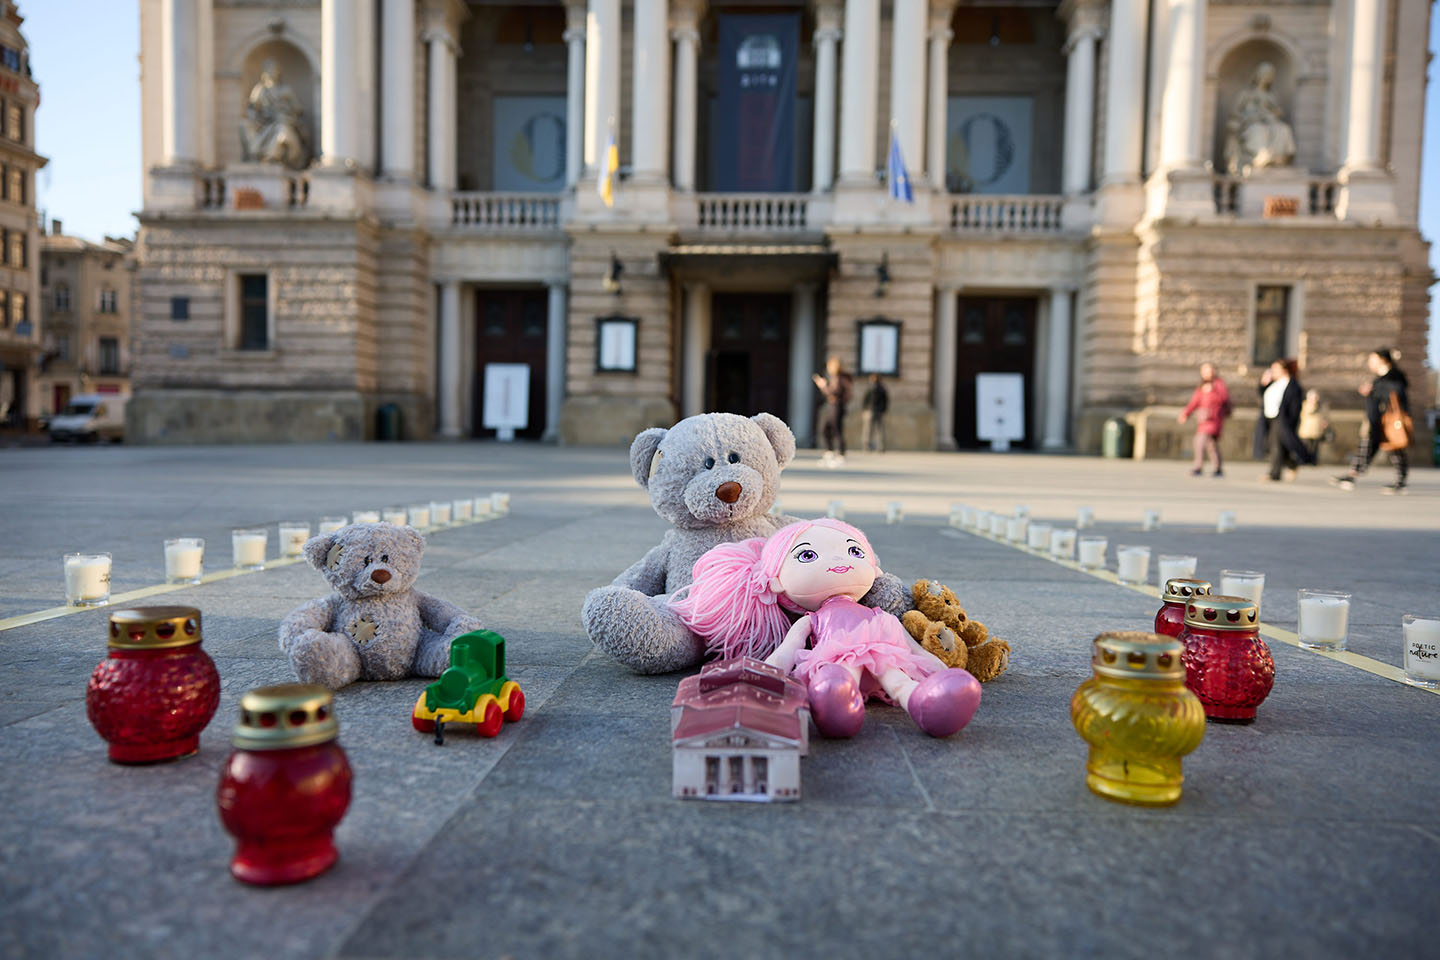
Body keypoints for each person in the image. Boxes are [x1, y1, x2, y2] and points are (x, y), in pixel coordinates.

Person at [669, 518, 980, 738]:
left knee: (897, 679)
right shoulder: (810, 620)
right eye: (807, 556)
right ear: (777, 580)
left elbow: (910, 646)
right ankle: (838, 704)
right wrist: (759, 674)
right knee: (842, 674)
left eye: (854, 552)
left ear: (873, 568)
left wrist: (938, 669)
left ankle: (928, 703)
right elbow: (786, 652)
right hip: (836, 657)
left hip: (882, 651)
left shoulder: (877, 614)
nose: (838, 561)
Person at [1332, 348, 1411, 494]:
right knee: (1367, 446)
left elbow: (1396, 393)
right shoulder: (1380, 378)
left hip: (1388, 420)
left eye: (1373, 360)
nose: (1370, 363)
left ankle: (1401, 481)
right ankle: (1352, 475)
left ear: (1383, 360)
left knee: (1395, 449)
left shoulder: (1394, 377)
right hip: (1375, 419)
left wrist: (1373, 390)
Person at [1258, 358, 1310, 482]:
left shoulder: (1292, 385)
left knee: (1276, 446)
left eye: (1276, 369)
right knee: (1274, 445)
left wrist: (1290, 422)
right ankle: (1292, 464)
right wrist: (1262, 384)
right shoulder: (1273, 383)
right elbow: (1263, 395)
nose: (1273, 371)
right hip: (1269, 417)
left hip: (1282, 420)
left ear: (1285, 370)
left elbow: (1295, 406)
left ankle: (1274, 474)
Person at [1177, 361, 1231, 477]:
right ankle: (1218, 468)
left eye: (1210, 371)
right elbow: (1194, 402)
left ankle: (1198, 466)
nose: (1208, 373)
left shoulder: (1219, 384)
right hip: (1203, 419)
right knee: (1211, 444)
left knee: (1199, 441)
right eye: (1205, 371)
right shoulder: (1201, 386)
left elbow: (1224, 399)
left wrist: (1212, 391)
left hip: (1214, 419)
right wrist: (1185, 413)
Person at [812, 356, 853, 468]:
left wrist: (823, 385)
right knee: (827, 429)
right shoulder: (840, 377)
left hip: (836, 406)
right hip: (834, 406)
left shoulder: (838, 378)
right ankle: (830, 453)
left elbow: (833, 392)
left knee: (836, 430)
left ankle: (840, 455)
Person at [1297, 389, 1331, 464]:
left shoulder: (1321, 405)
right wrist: (1313, 403)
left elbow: (1325, 415)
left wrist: (1325, 422)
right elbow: (1309, 411)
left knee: (1315, 448)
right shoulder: (1305, 404)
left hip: (1317, 429)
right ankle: (1304, 460)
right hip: (1306, 429)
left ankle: (1313, 461)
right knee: (1305, 446)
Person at [860, 374, 889, 453]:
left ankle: (868, 446)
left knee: (870, 429)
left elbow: (865, 400)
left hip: (871, 410)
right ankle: (879, 447)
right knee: (878, 430)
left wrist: (864, 409)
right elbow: (885, 401)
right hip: (876, 411)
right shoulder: (882, 388)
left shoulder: (871, 388)